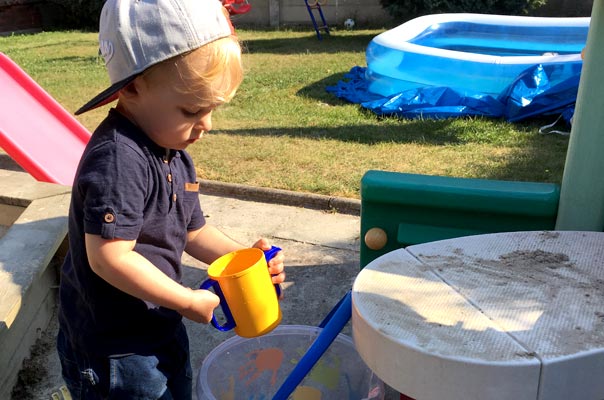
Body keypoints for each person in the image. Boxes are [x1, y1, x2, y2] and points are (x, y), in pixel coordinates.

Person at [56, 0, 285, 399]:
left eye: (212, 109)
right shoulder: (117, 159)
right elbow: (109, 257)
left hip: (159, 324)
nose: (207, 125)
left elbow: (194, 231)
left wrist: (245, 258)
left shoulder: (173, 152)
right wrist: (184, 301)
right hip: (116, 349)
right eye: (193, 109)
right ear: (132, 87)